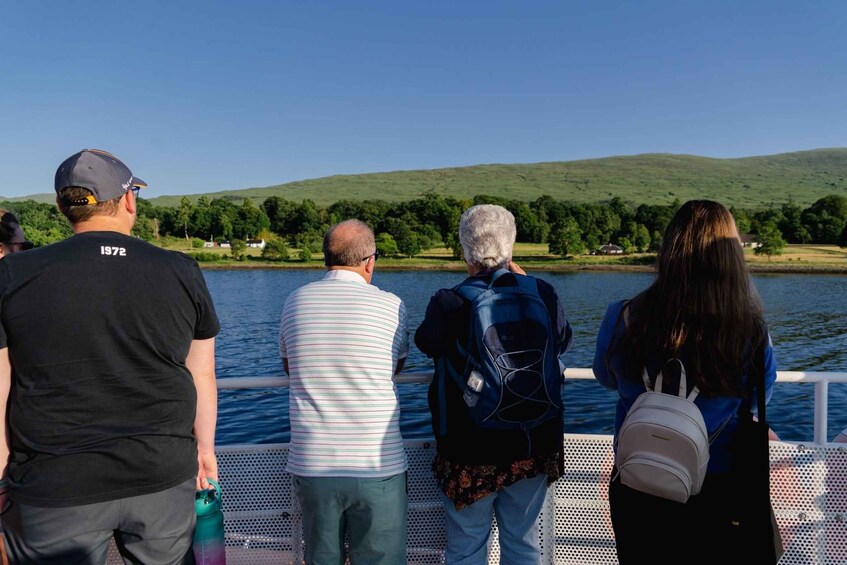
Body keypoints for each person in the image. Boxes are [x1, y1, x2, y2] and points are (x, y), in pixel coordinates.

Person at [0, 149, 220, 564]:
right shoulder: (181, 270)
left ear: (63, 207)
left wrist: (0, 476)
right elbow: (201, 373)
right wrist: (204, 450)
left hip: (54, 485)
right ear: (128, 199)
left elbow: (0, 384)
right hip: (161, 474)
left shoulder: (14, 273)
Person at [592, 199, 778, 563]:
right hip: (720, 487)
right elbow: (758, 398)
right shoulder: (751, 330)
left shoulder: (622, 316)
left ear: (669, 249)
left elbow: (605, 378)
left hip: (639, 478)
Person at [415, 204, 573, 565]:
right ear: (511, 248)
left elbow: (426, 343)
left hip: (470, 448)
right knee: (523, 544)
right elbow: (562, 341)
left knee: (467, 547)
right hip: (533, 444)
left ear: (464, 250)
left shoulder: (449, 301)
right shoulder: (544, 294)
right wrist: (525, 283)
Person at [279, 219, 409, 565]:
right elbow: (394, 368)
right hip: (377, 463)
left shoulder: (294, 302)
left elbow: (290, 368)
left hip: (314, 461)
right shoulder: (392, 305)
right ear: (370, 261)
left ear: (326, 258)